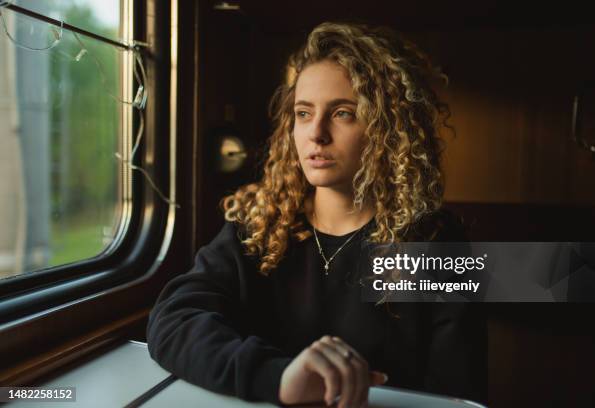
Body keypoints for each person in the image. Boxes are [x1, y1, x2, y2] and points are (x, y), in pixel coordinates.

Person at [146, 21, 487, 408]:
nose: (316, 134)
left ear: (388, 128)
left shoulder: (436, 243)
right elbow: (173, 320)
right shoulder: (258, 224)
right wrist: (275, 377)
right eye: (304, 113)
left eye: (343, 113)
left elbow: (458, 395)